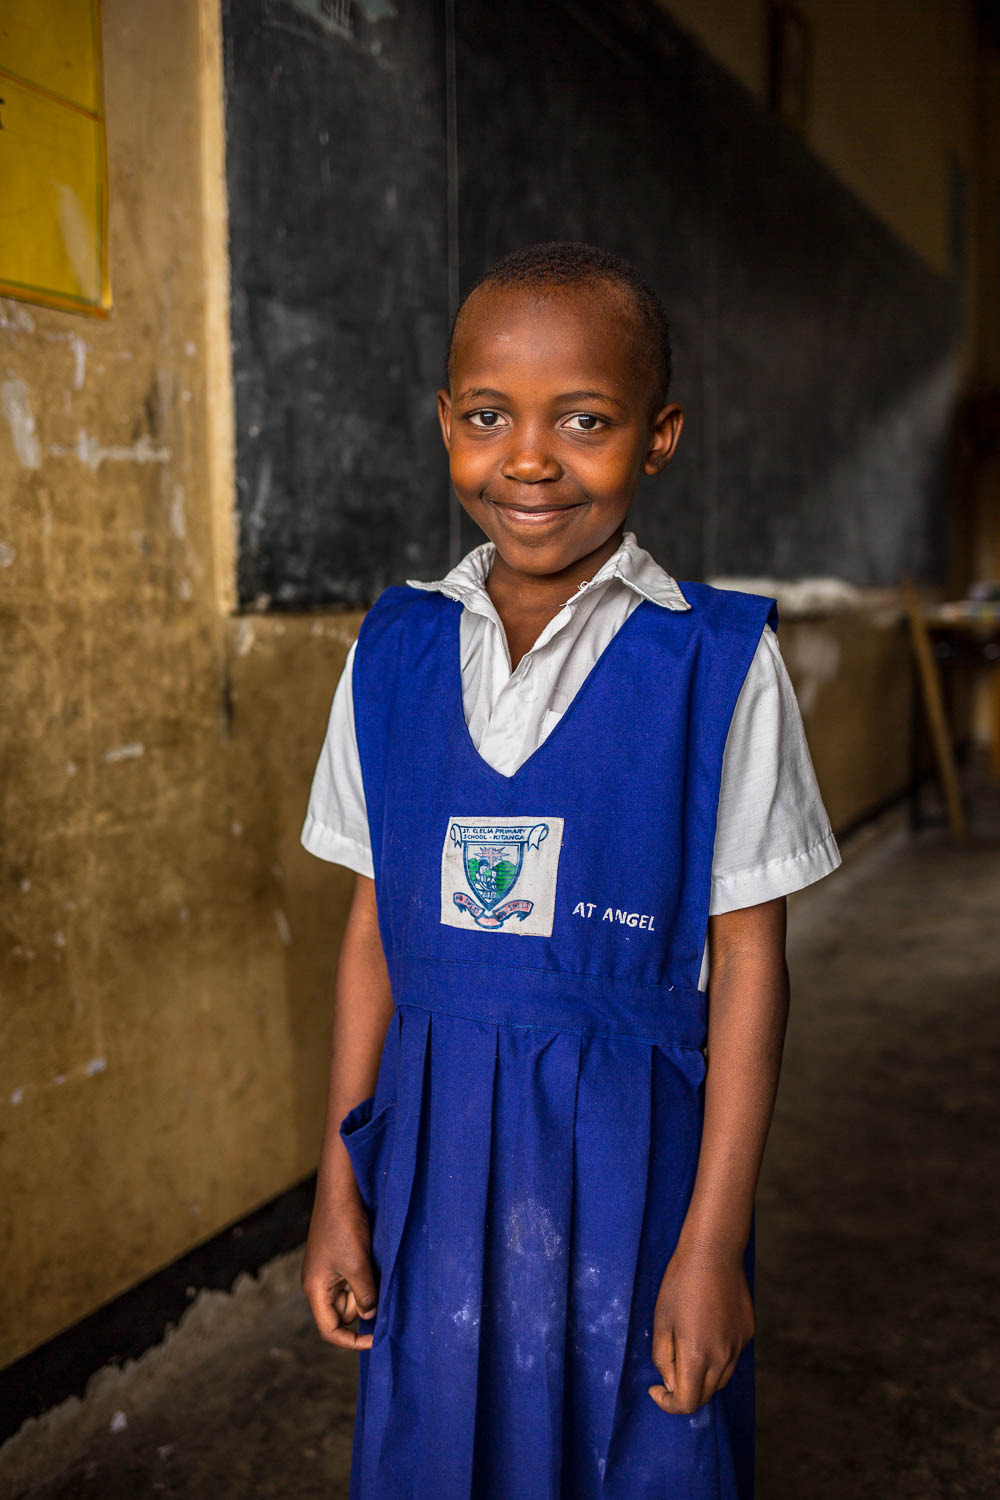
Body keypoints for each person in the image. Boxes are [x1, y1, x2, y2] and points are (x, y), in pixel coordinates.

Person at [300, 242, 840, 1499]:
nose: (528, 459)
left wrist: (711, 1242)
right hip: (431, 1164)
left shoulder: (714, 661)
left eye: (583, 420)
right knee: (441, 1448)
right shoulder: (394, 655)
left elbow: (751, 962)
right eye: (487, 417)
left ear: (657, 437)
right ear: (445, 422)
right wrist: (339, 1183)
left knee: (644, 1447)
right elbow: (373, 931)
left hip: (635, 1163)